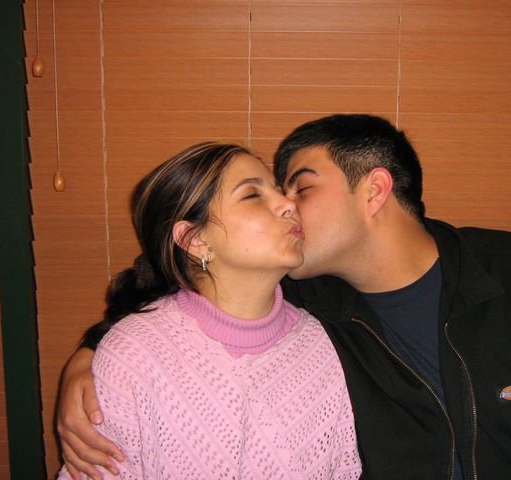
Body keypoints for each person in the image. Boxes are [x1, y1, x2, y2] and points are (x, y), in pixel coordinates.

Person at [58, 115, 511, 479]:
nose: (286, 206)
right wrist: (90, 357)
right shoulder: (312, 306)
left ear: (375, 190)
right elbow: (187, 293)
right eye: (267, 193)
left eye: (300, 187)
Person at [55, 142, 362, 479]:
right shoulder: (134, 356)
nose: (289, 203)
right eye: (252, 195)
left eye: (278, 190)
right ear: (194, 239)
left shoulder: (322, 346)